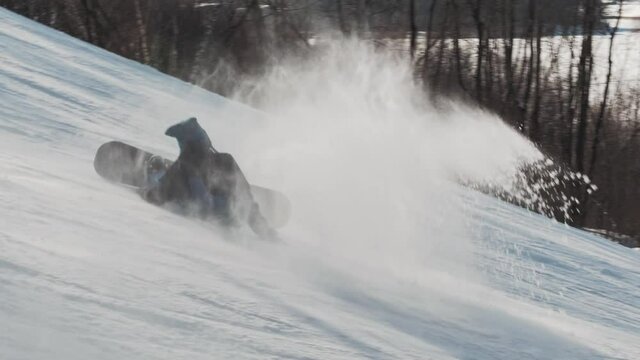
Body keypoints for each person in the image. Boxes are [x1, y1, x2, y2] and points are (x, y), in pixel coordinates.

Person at [141, 117, 276, 239]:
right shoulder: (226, 160)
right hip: (232, 218)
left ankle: (157, 170)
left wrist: (149, 190)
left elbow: (202, 205)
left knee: (159, 170)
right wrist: (263, 229)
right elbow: (245, 197)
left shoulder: (186, 166)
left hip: (207, 216)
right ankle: (159, 172)